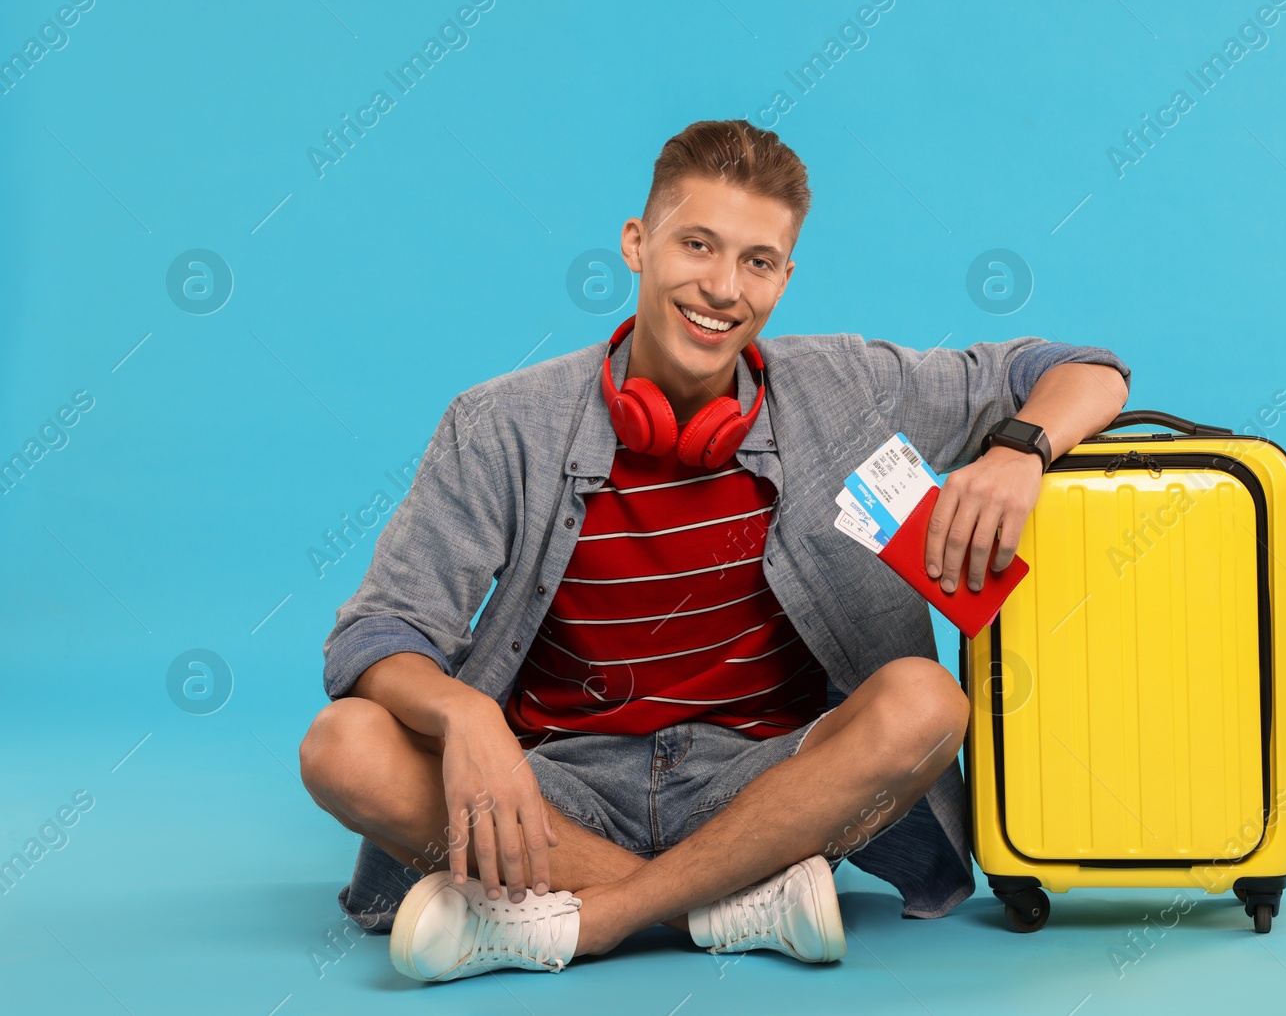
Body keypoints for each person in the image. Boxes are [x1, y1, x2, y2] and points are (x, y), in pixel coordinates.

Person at [299, 119, 1130, 982]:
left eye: (758, 261)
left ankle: (587, 918)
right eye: (698, 244)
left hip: (768, 782)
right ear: (637, 243)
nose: (724, 288)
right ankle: (731, 903)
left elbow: (1086, 367)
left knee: (927, 701)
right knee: (342, 744)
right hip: (555, 788)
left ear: (785, 276)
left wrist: (1019, 447)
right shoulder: (503, 422)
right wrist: (465, 716)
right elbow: (374, 633)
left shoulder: (844, 384)